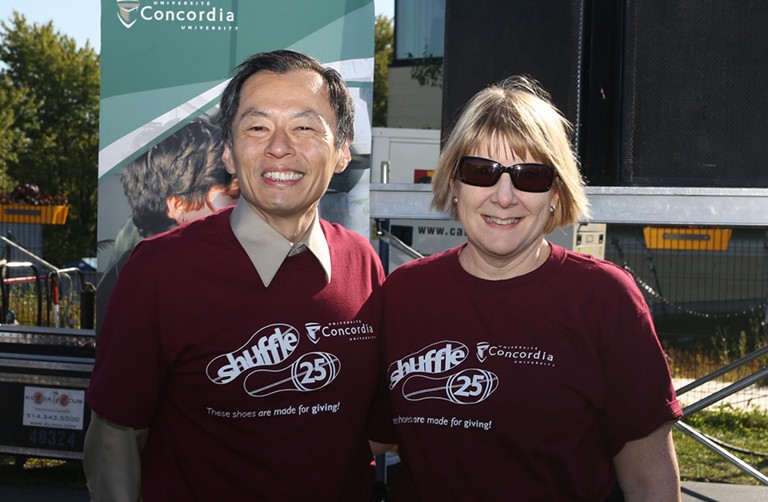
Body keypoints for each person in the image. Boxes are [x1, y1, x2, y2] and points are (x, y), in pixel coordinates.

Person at [84, 49, 391, 501]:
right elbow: (114, 437)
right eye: (257, 127)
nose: (279, 147)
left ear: (342, 150)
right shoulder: (158, 271)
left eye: (305, 127)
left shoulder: (362, 263)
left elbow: (373, 428)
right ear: (228, 151)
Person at [380, 76, 684, 501]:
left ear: (556, 193)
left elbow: (649, 480)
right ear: (454, 184)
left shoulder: (604, 298)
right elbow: (360, 440)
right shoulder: (403, 294)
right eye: (481, 172)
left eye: (530, 177)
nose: (504, 196)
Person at [95, 115, 239, 334]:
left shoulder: (140, 268)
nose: (243, 204)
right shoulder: (152, 287)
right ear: (179, 206)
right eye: (233, 193)